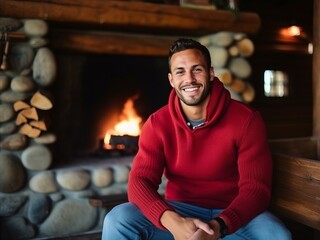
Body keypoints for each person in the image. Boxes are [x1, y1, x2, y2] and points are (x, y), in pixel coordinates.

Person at [102, 38, 292, 240]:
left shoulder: (246, 120)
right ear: (171, 80)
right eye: (180, 72)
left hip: (233, 216)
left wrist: (218, 227)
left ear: (210, 74)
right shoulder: (157, 123)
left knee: (277, 235)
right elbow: (140, 181)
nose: (189, 79)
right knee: (118, 220)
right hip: (181, 212)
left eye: (197, 69)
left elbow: (256, 190)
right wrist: (173, 222)